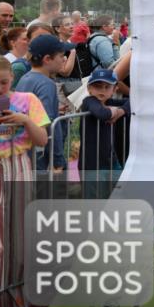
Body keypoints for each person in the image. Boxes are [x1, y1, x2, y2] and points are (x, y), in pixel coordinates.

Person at [0, 55, 50, 307]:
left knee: (17, 236)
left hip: (18, 166)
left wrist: (24, 120)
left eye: (3, 82)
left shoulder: (27, 100)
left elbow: (42, 139)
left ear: (12, 78)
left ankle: (10, 306)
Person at [16, 34, 70, 172]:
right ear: (47, 59)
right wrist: (57, 159)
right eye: (61, 56)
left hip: (25, 149)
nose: (64, 59)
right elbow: (49, 124)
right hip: (41, 155)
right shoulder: (47, 84)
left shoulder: (25, 78)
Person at [78, 69, 129, 197]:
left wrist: (121, 110)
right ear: (89, 88)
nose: (102, 90)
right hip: (92, 165)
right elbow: (101, 113)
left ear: (115, 89)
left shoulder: (109, 102)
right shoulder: (89, 101)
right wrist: (113, 111)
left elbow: (133, 101)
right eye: (97, 86)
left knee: (119, 194)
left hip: (111, 161)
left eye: (107, 87)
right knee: (94, 200)